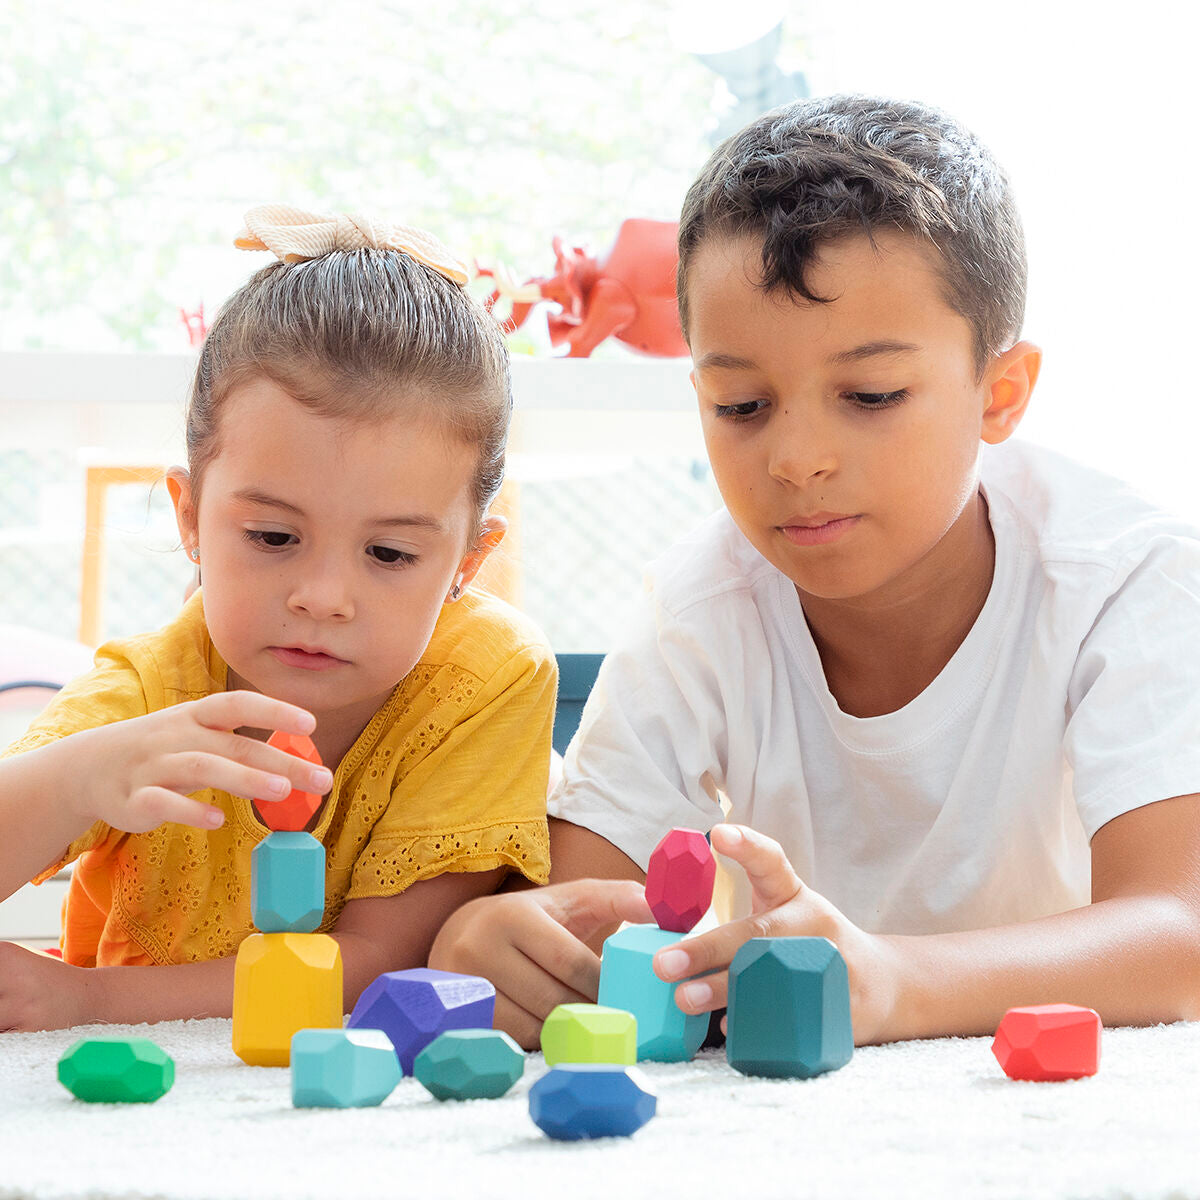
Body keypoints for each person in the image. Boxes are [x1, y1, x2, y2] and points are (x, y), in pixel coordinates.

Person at [429, 95, 1200, 1049]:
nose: (795, 459)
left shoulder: (1128, 578)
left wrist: (891, 980)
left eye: (871, 395)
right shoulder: (700, 609)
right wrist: (491, 940)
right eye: (742, 404)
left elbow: (1180, 935)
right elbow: (580, 906)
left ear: (999, 393)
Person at [0, 205, 556, 1032]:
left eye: (390, 554)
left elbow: (385, 964)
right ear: (189, 517)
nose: (323, 596)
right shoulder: (153, 687)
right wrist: (83, 776)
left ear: (468, 562)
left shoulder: (487, 677)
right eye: (273, 536)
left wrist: (84, 1000)